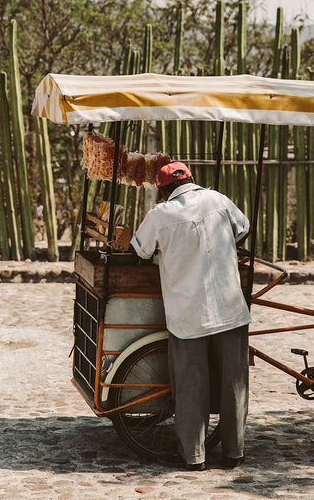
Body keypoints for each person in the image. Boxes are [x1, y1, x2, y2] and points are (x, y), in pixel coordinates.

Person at [130, 161, 251, 471]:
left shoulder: (159, 215)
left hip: (188, 317)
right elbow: (243, 228)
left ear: (162, 190)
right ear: (192, 180)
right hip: (230, 309)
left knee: (189, 386)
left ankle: (194, 457)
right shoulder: (218, 200)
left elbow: (140, 250)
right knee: (234, 383)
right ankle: (234, 452)